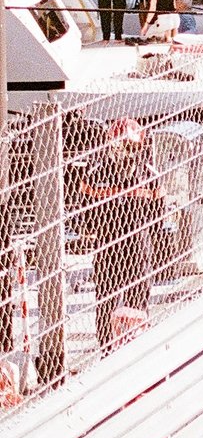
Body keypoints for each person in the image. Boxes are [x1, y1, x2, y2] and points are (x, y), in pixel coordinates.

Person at [76, 118, 163, 348]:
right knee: (106, 297)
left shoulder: (148, 173)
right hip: (108, 243)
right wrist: (93, 232)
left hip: (137, 242)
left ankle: (137, 342)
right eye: (121, 146)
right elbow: (84, 210)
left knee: (138, 296)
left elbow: (158, 212)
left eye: (131, 146)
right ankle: (107, 347)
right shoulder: (96, 172)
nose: (126, 152)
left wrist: (149, 234)